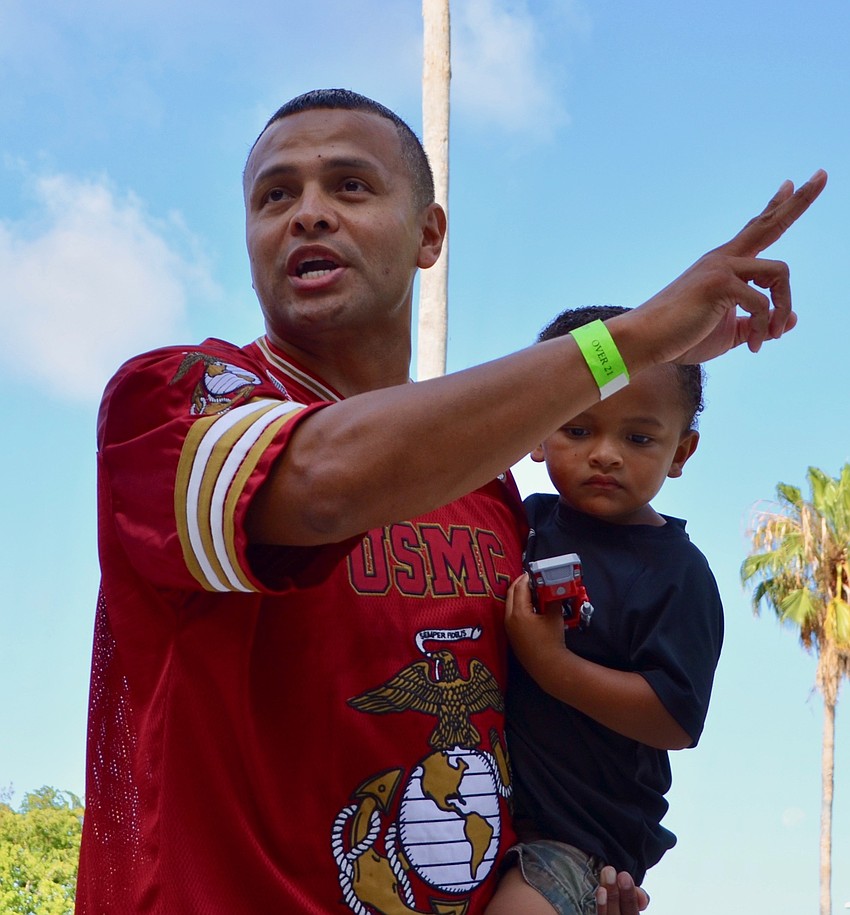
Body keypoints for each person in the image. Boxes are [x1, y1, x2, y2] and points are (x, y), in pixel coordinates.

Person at [75, 87, 825, 915]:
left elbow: (519, 738)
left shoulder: (492, 489)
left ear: (429, 234)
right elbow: (324, 483)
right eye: (274, 195)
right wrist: (635, 340)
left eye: (350, 186)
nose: (307, 214)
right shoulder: (175, 403)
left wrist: (572, 874)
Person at [485, 304, 721, 915]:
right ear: (539, 431)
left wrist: (552, 664)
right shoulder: (520, 521)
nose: (606, 454)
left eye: (638, 437)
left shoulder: (676, 572)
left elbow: (675, 718)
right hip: (481, 805)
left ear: (681, 451)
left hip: (580, 839)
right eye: (578, 429)